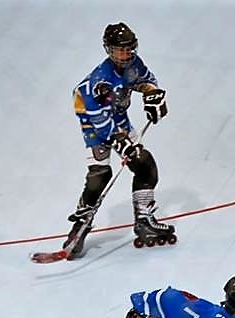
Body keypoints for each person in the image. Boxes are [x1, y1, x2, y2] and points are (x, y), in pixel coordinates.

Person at [64, 22, 175, 259]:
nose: (125, 55)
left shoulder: (134, 64)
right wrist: (119, 140)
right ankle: (79, 228)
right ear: (108, 50)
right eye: (119, 50)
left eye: (128, 49)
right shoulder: (100, 81)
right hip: (93, 121)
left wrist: (152, 95)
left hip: (118, 116)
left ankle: (144, 220)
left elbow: (146, 80)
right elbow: (100, 121)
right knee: (100, 174)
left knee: (144, 164)